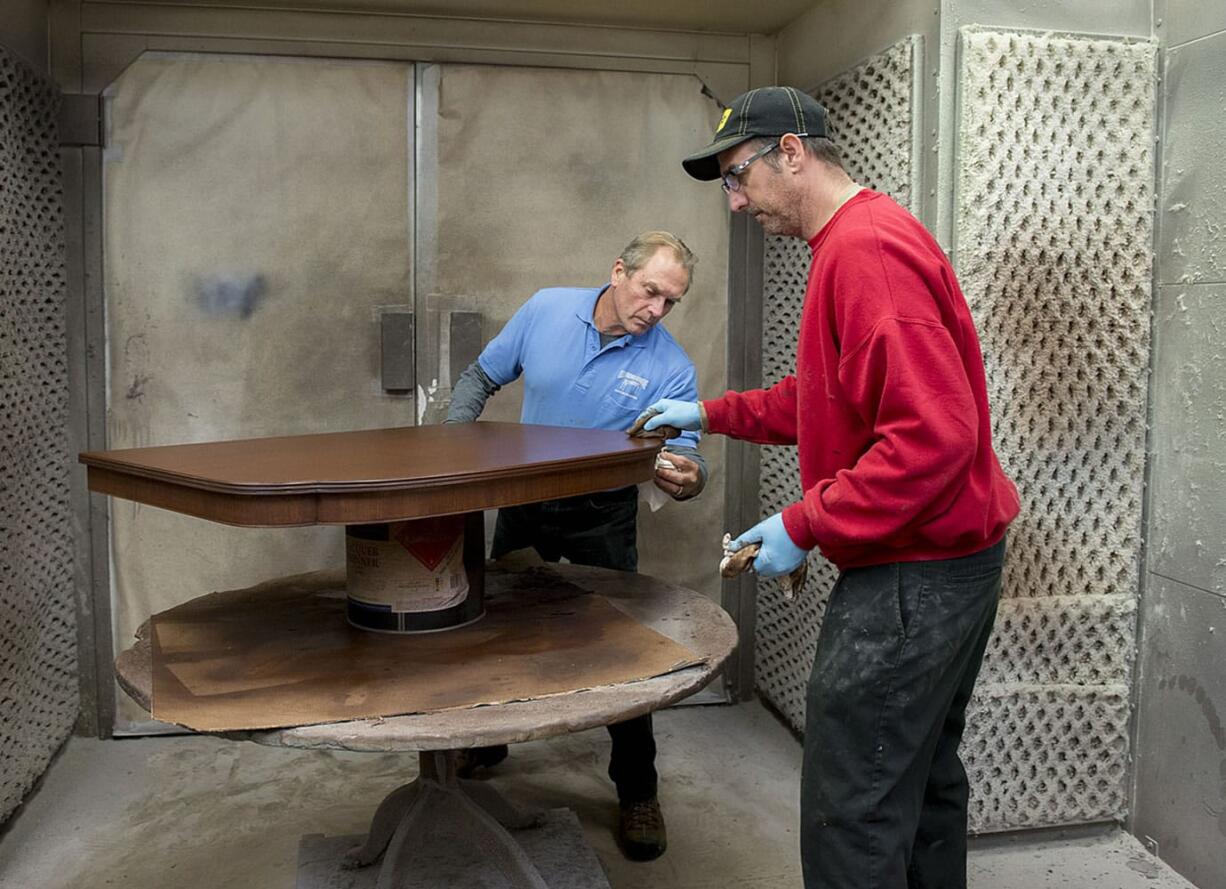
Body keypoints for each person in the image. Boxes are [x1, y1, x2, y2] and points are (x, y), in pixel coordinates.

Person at [643, 87, 1020, 888]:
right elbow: (821, 398)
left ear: (792, 151)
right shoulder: (850, 243)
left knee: (854, 801)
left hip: (912, 579)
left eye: (738, 177)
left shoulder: (865, 252)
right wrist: (708, 411)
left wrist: (805, 521)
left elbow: (933, 435)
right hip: (949, 564)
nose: (737, 202)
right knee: (919, 778)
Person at [444, 230, 708, 862]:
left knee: (623, 650)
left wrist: (688, 478)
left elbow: (686, 458)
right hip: (525, 501)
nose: (657, 311)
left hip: (602, 514)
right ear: (618, 271)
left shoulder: (669, 365)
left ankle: (638, 791)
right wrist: (448, 453)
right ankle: (486, 739)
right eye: (651, 292)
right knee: (498, 628)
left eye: (672, 302)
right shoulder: (545, 310)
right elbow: (481, 377)